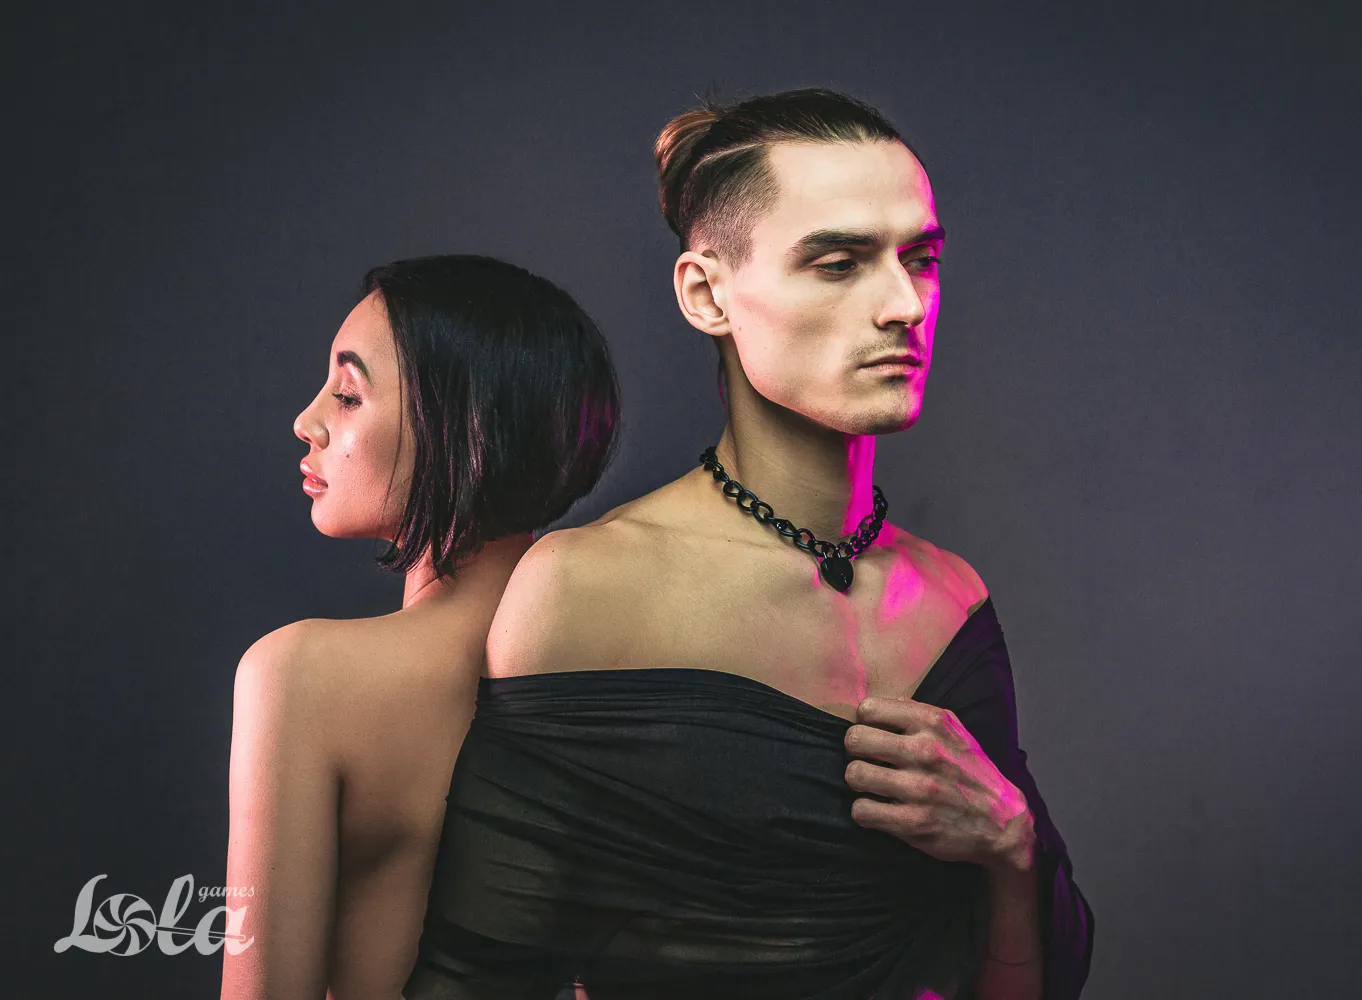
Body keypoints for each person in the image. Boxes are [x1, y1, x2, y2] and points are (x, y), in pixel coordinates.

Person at [405, 90, 1093, 1000]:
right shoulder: (588, 588)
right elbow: (478, 981)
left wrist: (1012, 849)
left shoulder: (952, 598)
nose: (904, 305)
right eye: (839, 264)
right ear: (707, 294)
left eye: (921, 259)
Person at [221, 255, 620, 1000]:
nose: (307, 422)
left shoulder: (302, 677)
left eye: (348, 394)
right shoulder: (624, 669)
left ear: (466, 432)